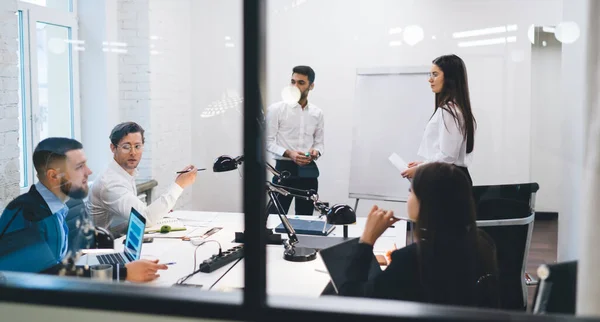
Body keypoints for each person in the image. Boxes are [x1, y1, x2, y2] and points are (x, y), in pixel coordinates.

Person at [0, 137, 167, 282]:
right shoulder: (30, 215)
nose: (89, 171)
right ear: (53, 176)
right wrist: (122, 272)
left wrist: (97, 261)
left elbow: (57, 262)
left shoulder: (53, 207)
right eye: (79, 167)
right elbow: (50, 276)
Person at [339, 162, 499, 308]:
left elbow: (350, 301)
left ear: (426, 203)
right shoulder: (483, 243)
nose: (408, 199)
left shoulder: (411, 260)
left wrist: (367, 240)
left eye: (411, 193)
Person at [87, 122, 198, 236]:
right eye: (126, 147)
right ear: (113, 148)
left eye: (137, 146)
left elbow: (135, 214)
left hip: (123, 237)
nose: (133, 153)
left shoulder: (123, 172)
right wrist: (179, 184)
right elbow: (144, 219)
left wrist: (159, 212)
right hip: (107, 247)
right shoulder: (110, 183)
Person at [401, 54, 476, 184]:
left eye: (435, 75)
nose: (430, 80)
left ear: (449, 78)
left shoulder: (449, 111)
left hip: (449, 179)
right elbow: (446, 154)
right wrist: (425, 163)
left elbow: (448, 156)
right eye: (430, 75)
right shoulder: (456, 109)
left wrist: (421, 169)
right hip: (453, 177)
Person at [265, 66, 324, 215]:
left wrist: (316, 152)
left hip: (308, 171)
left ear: (311, 86)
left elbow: (319, 143)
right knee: (275, 217)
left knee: (305, 219)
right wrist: (289, 153)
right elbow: (266, 141)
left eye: (301, 83)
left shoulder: (317, 113)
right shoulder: (276, 109)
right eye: (293, 82)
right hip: (284, 170)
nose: (295, 86)